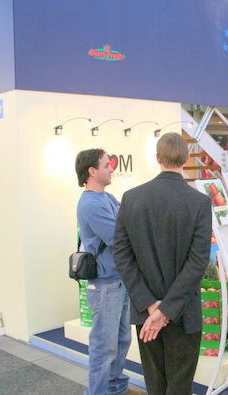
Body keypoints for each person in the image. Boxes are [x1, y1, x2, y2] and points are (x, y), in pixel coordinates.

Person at [113, 133, 211, 395]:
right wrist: (166, 310)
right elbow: (198, 262)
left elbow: (121, 255)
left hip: (146, 312)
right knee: (180, 386)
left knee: (155, 384)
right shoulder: (199, 202)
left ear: (157, 158)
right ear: (186, 159)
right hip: (183, 311)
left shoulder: (131, 198)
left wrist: (151, 305)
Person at [75, 149, 143, 395]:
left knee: (121, 340)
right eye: (106, 165)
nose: (112, 168)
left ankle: (115, 388)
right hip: (105, 284)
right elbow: (118, 236)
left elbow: (128, 221)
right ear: (92, 171)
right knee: (104, 346)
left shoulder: (108, 198)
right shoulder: (91, 204)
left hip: (118, 280)